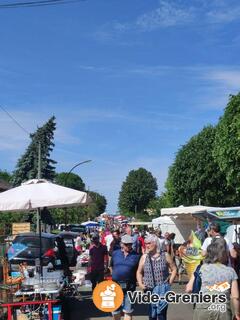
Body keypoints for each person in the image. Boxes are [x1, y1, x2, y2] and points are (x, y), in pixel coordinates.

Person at [186, 238, 240, 320]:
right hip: (222, 309)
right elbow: (235, 297)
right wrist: (237, 314)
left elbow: (189, 289)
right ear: (224, 254)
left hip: (202, 308)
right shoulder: (230, 271)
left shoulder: (201, 268)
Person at [137, 234, 177, 320]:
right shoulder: (144, 257)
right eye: (145, 243)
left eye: (148, 243)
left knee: (162, 314)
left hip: (162, 289)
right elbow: (139, 272)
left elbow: (174, 269)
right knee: (152, 314)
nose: (146, 245)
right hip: (149, 290)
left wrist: (170, 283)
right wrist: (140, 284)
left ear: (155, 243)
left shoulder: (165, 255)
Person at [110, 234, 140, 320]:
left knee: (128, 311)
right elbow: (111, 266)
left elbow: (139, 271)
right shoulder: (115, 253)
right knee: (115, 311)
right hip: (115, 287)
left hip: (130, 287)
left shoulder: (137, 255)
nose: (129, 246)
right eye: (126, 244)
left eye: (130, 244)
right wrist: (115, 275)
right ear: (122, 244)